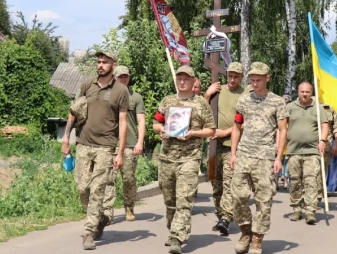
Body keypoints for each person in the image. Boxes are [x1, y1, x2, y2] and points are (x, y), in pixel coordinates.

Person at [61, 51, 129, 250]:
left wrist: (120, 152)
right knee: (83, 188)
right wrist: (66, 137)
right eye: (98, 62)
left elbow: (123, 123)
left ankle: (89, 232)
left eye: (104, 62)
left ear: (113, 65)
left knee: (98, 189)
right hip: (83, 144)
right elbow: (74, 113)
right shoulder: (86, 85)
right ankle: (100, 217)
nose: (100, 65)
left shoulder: (120, 91)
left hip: (106, 147)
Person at [153, 66, 216, 254]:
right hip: (167, 157)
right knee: (170, 199)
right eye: (179, 78)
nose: (182, 82)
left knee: (184, 199)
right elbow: (156, 123)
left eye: (186, 79)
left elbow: (211, 130)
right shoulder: (167, 101)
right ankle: (173, 229)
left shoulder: (201, 104)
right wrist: (162, 129)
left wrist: (193, 134)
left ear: (192, 81)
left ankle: (177, 237)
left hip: (190, 157)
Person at [230, 62, 288, 254]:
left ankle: (257, 239)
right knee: (238, 196)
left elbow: (282, 130)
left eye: (258, 80)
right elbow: (236, 127)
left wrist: (278, 157)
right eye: (252, 80)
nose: (255, 84)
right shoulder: (244, 100)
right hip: (244, 155)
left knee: (264, 200)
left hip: (265, 157)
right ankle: (245, 231)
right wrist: (233, 153)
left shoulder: (278, 101)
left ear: (267, 79)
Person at [204, 62, 246, 236]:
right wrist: (207, 95)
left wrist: (224, 132)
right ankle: (221, 215)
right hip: (215, 145)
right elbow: (203, 110)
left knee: (229, 184)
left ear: (241, 77)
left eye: (236, 76)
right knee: (216, 183)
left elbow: (244, 122)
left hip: (233, 146)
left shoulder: (245, 95)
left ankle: (227, 217)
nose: (232, 79)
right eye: (230, 75)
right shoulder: (218, 91)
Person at [101, 66, 146, 224]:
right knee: (108, 179)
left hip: (129, 144)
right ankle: (107, 212)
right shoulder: (107, 95)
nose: (123, 79)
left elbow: (141, 121)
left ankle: (129, 206)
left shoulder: (136, 97)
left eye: (126, 77)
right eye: (120, 77)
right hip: (110, 143)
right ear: (114, 77)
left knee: (128, 178)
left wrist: (140, 142)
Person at [286, 82, 329, 225]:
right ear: (297, 92)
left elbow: (324, 125)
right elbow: (281, 126)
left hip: (312, 151)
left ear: (311, 93)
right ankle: (297, 209)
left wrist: (322, 140)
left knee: (311, 181)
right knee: (294, 181)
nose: (305, 94)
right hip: (293, 151)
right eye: (302, 91)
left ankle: (310, 211)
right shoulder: (290, 107)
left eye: (308, 92)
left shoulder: (318, 108)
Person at [317, 103, 337, 200]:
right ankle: (306, 198)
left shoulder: (333, 107)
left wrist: (336, 144)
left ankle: (316, 199)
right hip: (307, 145)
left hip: (325, 147)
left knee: (320, 173)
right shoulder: (310, 103)